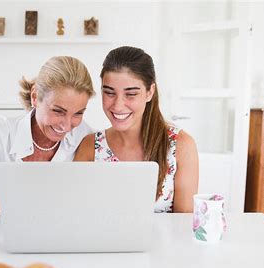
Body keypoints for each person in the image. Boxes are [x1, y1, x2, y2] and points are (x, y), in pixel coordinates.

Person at [0, 56, 95, 219]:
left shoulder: (86, 137)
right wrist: (40, 200)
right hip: (3, 237)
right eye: (58, 111)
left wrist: (7, 201)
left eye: (78, 113)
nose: (66, 126)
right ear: (35, 97)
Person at [74, 46, 198, 213]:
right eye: (109, 93)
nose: (118, 105)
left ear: (149, 92)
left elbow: (183, 225)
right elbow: (79, 214)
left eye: (130, 94)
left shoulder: (181, 146)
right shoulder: (90, 147)